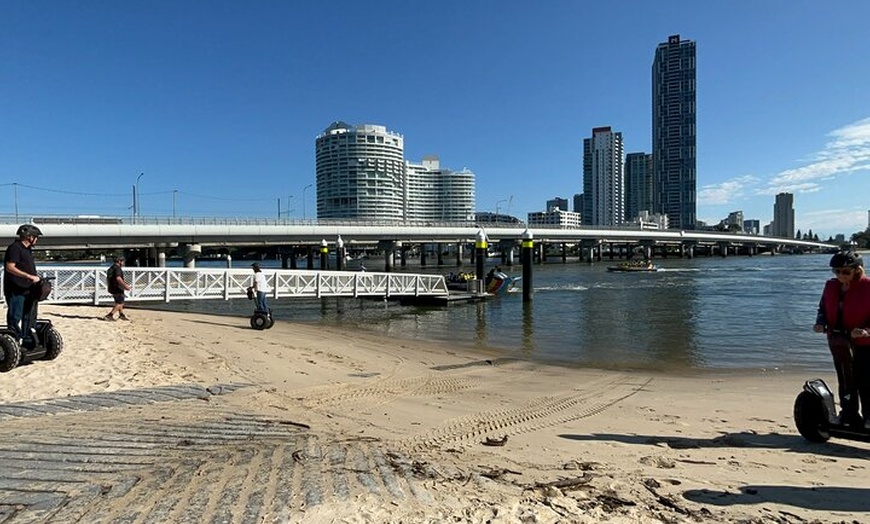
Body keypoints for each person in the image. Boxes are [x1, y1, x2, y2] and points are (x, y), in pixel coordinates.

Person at [813, 250, 870, 428]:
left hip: (864, 343)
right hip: (839, 342)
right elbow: (822, 308)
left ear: (857, 270)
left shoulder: (868, 287)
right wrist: (820, 323)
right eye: (836, 271)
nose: (840, 275)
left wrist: (866, 331)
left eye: (845, 271)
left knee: (865, 380)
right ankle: (848, 414)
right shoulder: (831, 286)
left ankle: (869, 417)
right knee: (845, 379)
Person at [3, 224, 43, 345]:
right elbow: (10, 267)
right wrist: (28, 276)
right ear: (29, 236)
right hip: (16, 289)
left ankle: (27, 340)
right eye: (36, 237)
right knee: (15, 317)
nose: (37, 239)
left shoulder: (27, 250)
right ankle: (12, 342)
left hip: (29, 289)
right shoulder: (15, 248)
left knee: (29, 316)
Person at [104, 256, 132, 321]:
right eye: (123, 261)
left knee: (118, 301)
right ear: (119, 261)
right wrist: (126, 286)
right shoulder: (117, 268)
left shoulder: (111, 268)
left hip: (112, 287)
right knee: (120, 303)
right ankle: (110, 315)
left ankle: (121, 315)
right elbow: (118, 278)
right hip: (117, 287)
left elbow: (110, 278)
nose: (123, 263)